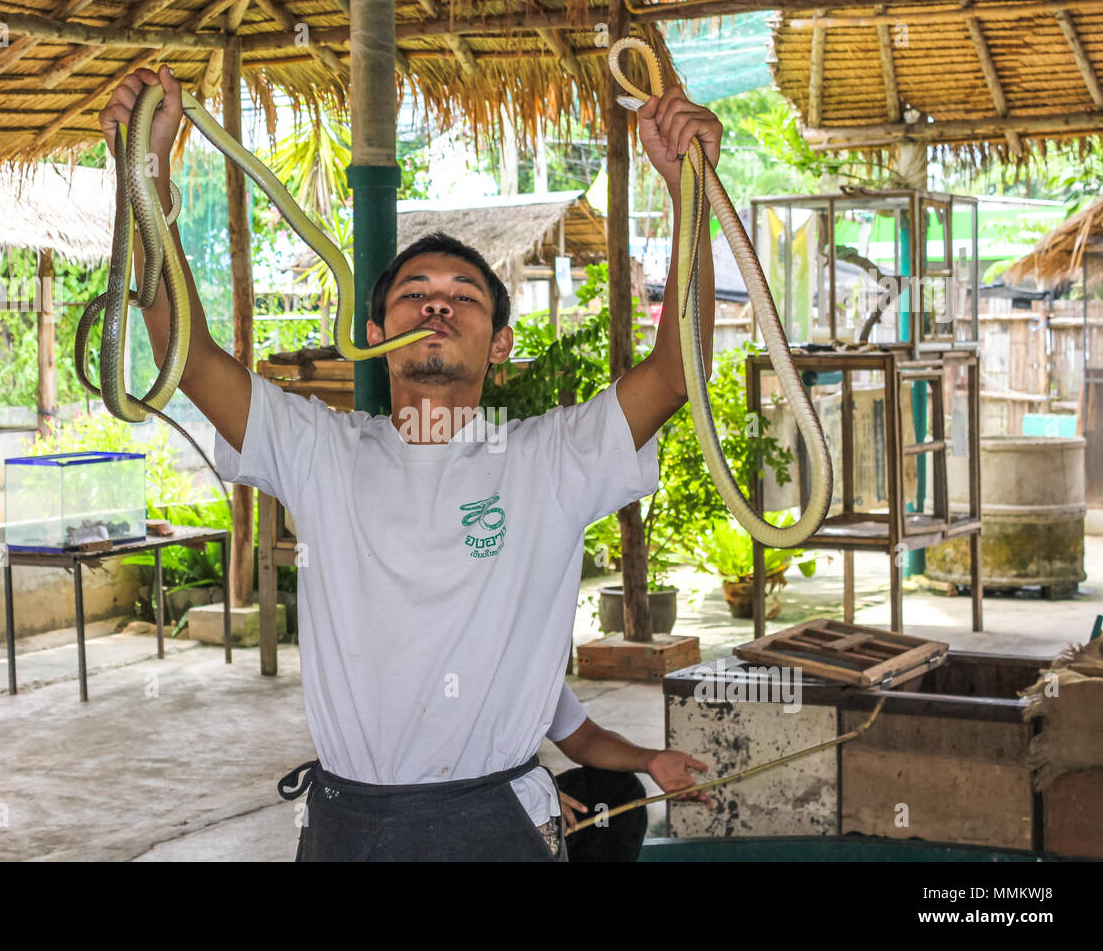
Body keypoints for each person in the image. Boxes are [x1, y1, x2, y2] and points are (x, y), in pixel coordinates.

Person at [98, 66, 722, 861]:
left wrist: (691, 192)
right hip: (346, 827)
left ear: (500, 343)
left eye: (465, 295)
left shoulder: (548, 460)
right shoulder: (319, 450)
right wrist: (141, 176)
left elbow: (678, 373)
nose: (437, 303)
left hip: (496, 825)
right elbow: (184, 355)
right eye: (413, 292)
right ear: (372, 330)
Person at [546, 682, 711, 862]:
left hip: (527, 791)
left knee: (616, 788)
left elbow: (584, 738)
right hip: (512, 804)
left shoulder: (543, 675)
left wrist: (649, 759)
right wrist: (528, 799)